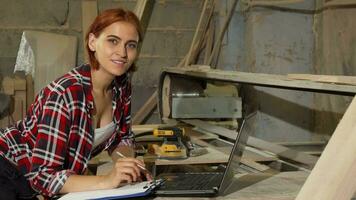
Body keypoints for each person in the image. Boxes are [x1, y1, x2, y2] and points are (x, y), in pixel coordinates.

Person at [0, 8, 152, 199]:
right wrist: (107, 180)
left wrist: (129, 165)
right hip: (7, 168)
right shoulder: (65, 94)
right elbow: (43, 177)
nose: (122, 52)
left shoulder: (122, 87)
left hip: (31, 180)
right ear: (92, 42)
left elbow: (122, 137)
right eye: (113, 41)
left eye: (131, 45)